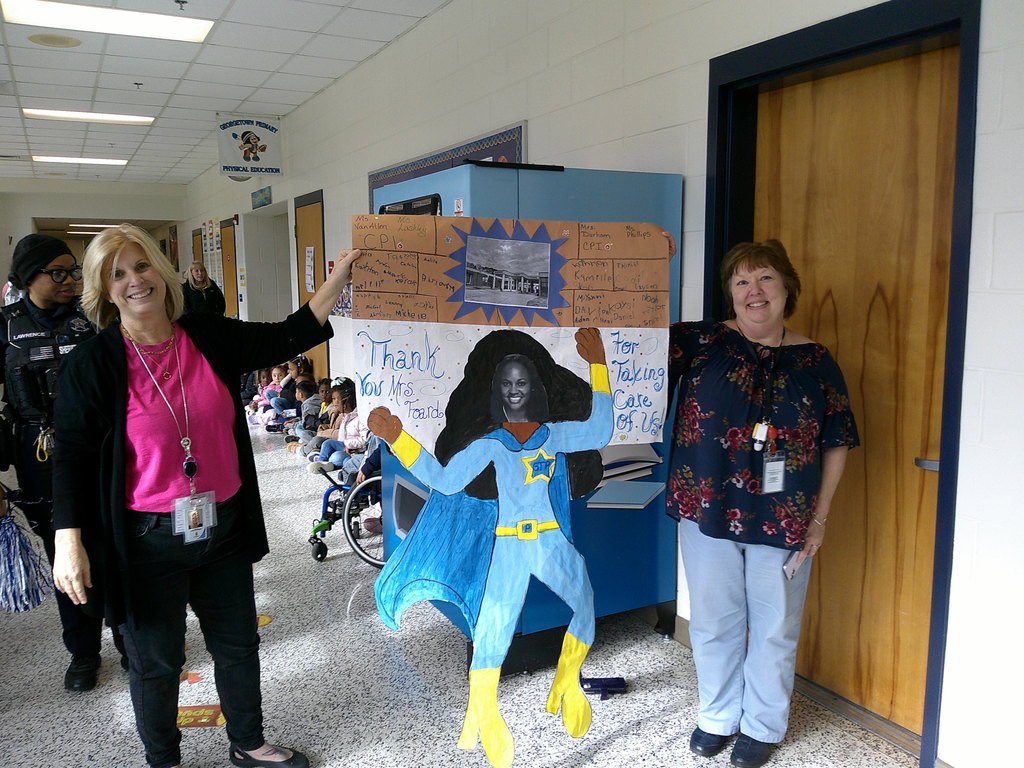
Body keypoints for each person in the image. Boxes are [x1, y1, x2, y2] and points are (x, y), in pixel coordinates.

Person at [49, 223, 360, 768]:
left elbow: (286, 335)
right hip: (146, 540)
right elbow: (72, 456)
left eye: (141, 266)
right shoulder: (94, 363)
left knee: (238, 644)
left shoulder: (205, 335)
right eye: (116, 274)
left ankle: (248, 741)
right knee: (157, 661)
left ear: (162, 273)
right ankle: (164, 760)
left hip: (223, 525)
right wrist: (68, 541)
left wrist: (337, 279)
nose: (134, 281)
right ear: (104, 290)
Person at [369, 327, 610, 768]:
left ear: (535, 389)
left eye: (523, 383)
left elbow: (601, 429)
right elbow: (443, 481)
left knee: (585, 604)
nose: (515, 391)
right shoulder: (490, 445)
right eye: (507, 385)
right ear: (496, 392)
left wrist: (598, 365)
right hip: (509, 548)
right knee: (492, 635)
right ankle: (486, 711)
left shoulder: (553, 436)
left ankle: (568, 679)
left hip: (550, 540)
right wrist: (399, 439)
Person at [666, 239, 859, 768]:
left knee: (774, 624)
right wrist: (648, 262)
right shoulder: (699, 341)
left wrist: (819, 519)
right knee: (712, 618)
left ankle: (764, 723)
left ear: (787, 289)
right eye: (742, 282)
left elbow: (837, 440)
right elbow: (629, 341)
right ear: (729, 294)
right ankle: (718, 714)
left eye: (766, 279)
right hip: (706, 508)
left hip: (786, 515)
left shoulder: (816, 361)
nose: (755, 292)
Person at [0, 233, 126, 691]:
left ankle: (129, 639)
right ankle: (83, 652)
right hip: (39, 452)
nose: (71, 280)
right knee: (65, 553)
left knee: (115, 541)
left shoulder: (94, 318)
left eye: (74, 271)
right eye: (59, 273)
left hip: (103, 446)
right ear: (28, 278)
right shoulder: (6, 326)